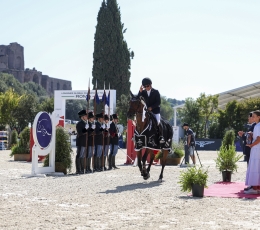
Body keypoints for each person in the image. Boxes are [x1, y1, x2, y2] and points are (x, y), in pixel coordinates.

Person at [137, 77, 165, 143]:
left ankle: (161, 136)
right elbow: (138, 99)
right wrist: (140, 92)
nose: (147, 87)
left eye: (148, 86)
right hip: (146, 111)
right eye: (145, 86)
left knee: (158, 122)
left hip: (155, 111)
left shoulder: (156, 92)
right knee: (139, 120)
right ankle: (137, 135)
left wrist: (151, 107)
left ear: (151, 84)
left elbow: (158, 102)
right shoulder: (143, 92)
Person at [244, 110, 260, 194]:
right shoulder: (257, 126)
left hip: (257, 149)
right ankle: (257, 187)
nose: (252, 117)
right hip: (257, 148)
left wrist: (251, 145)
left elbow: (259, 139)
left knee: (255, 167)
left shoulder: (258, 126)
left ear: (258, 117)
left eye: (254, 116)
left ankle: (254, 188)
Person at [75, 110, 89, 174]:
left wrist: (91, 129)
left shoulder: (86, 123)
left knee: (83, 155)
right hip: (80, 141)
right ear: (82, 117)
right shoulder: (79, 124)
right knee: (79, 155)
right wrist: (85, 129)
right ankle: (78, 169)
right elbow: (80, 133)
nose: (87, 117)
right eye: (85, 116)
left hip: (84, 141)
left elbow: (89, 133)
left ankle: (83, 168)